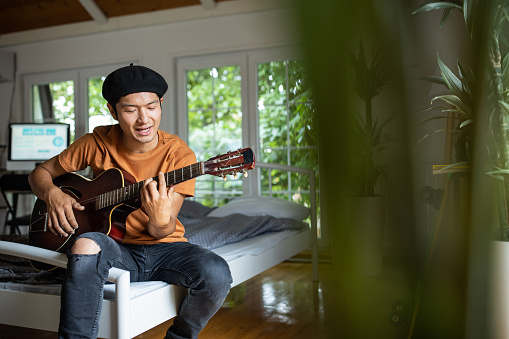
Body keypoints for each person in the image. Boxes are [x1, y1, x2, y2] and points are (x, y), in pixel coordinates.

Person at [28, 64, 233, 339]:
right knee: (85, 243)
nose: (143, 119)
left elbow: (161, 229)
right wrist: (53, 195)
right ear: (113, 111)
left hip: (165, 250)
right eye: (130, 110)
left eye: (151, 107)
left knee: (217, 272)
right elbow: (39, 173)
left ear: (161, 104)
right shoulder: (96, 142)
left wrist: (159, 219)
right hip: (115, 247)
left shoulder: (179, 154)